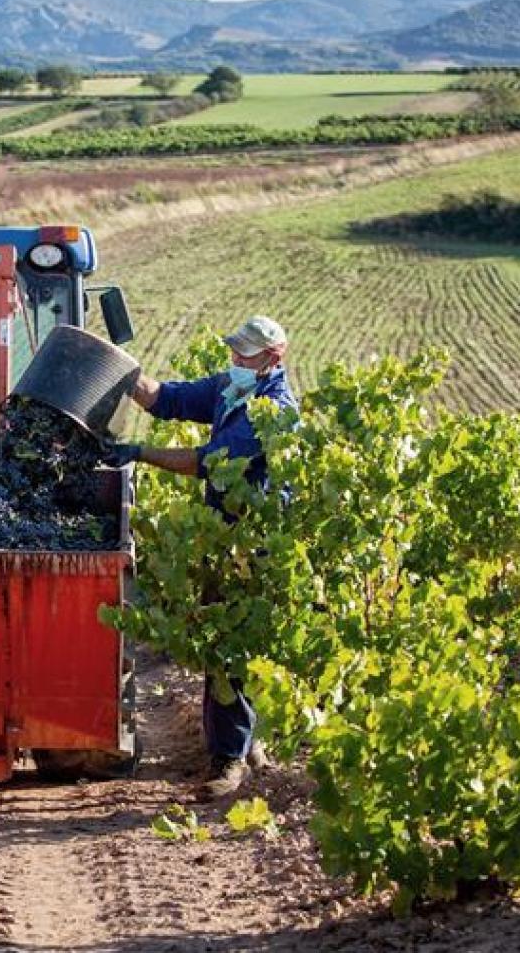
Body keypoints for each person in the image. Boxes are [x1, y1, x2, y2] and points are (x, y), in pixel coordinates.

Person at [105, 316, 298, 801]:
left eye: (246, 355)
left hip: (250, 543)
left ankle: (230, 759)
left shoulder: (274, 410)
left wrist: (138, 453)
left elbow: (208, 463)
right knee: (222, 644)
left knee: (231, 646)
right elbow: (166, 400)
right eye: (234, 351)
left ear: (273, 359)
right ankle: (246, 744)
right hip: (221, 537)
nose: (235, 360)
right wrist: (122, 374)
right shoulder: (228, 390)